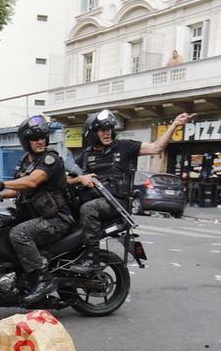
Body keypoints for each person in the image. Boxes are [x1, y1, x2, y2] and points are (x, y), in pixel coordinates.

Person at [67, 109, 195, 273]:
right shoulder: (85, 156)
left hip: (116, 204)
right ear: (92, 133)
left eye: (109, 129)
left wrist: (174, 125)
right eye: (102, 130)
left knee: (88, 209)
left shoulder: (124, 147)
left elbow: (156, 147)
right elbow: (66, 179)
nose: (107, 133)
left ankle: (92, 258)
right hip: (95, 200)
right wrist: (80, 179)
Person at [0, 115, 72, 303]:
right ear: (26, 141)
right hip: (37, 216)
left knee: (19, 234)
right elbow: (20, 188)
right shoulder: (25, 162)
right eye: (35, 138)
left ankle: (44, 279)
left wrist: (1, 185)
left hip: (57, 219)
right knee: (1, 227)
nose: (41, 141)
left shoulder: (50, 159)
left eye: (43, 136)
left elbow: (33, 180)